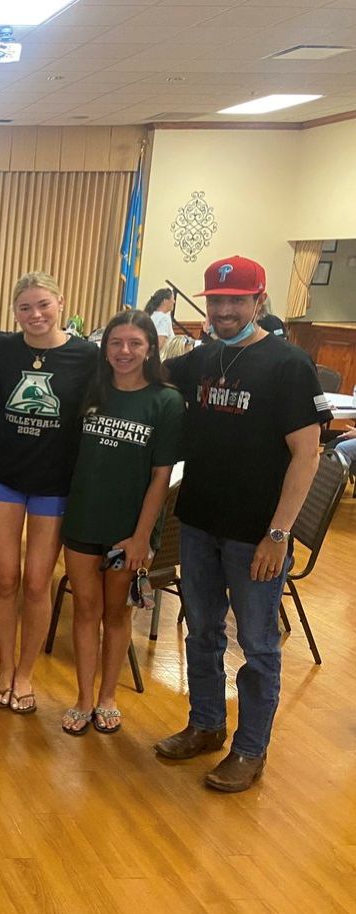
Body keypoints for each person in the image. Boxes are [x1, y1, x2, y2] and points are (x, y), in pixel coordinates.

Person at [155, 256, 330, 792]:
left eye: (237, 300)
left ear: (259, 300)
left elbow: (307, 455)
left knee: (257, 645)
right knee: (202, 632)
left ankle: (251, 750)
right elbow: (145, 373)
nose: (225, 310)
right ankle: (206, 724)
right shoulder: (203, 358)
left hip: (256, 536)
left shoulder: (288, 364)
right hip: (199, 523)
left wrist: (279, 534)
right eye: (217, 300)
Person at [59, 310, 183, 736]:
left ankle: (108, 696)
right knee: (84, 610)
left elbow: (161, 477)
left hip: (127, 531)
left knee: (116, 613)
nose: (124, 351)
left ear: (151, 348)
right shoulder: (91, 391)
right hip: (82, 521)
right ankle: (83, 698)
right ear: (105, 347)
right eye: (116, 343)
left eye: (134, 343)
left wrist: (140, 537)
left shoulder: (166, 401)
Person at [0, 272, 98, 714]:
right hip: (4, 478)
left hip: (55, 483)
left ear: (61, 303)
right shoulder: (2, 350)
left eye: (43, 304)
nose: (35, 314)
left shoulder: (86, 355)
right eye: (25, 307)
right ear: (15, 311)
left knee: (36, 583)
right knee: (5, 578)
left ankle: (26, 674)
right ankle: (4, 669)